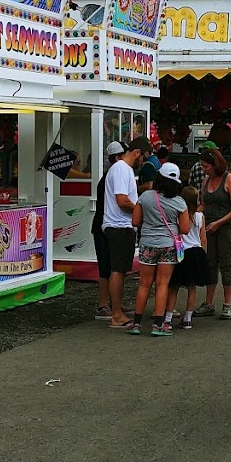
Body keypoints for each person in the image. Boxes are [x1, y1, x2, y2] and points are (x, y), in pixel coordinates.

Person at [128, 162, 190, 336]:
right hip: (168, 244)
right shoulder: (179, 202)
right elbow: (184, 229)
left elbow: (135, 222)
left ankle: (136, 324)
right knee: (163, 284)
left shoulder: (146, 197)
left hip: (147, 243)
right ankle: (158, 325)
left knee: (144, 284)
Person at [102, 136, 148, 329]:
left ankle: (117, 309)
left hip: (121, 226)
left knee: (119, 270)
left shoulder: (122, 169)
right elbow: (122, 200)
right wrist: (140, 209)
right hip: (119, 226)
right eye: (143, 157)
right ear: (137, 153)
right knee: (118, 271)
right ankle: (116, 315)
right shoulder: (122, 169)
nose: (143, 162)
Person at [197, 148, 231, 319]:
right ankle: (209, 303)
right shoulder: (206, 181)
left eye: (206, 166)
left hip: (228, 228)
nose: (204, 169)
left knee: (228, 264)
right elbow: (203, 204)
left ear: (215, 164)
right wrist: (195, 215)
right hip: (210, 227)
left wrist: (219, 222)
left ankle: (227, 304)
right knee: (210, 263)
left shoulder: (229, 180)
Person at [92, 141, 127, 321]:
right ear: (118, 157)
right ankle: (103, 304)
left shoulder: (110, 175)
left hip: (105, 225)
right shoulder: (113, 176)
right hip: (104, 226)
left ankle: (113, 302)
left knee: (113, 266)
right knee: (108, 267)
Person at [167, 185, 207, 329]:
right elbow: (203, 238)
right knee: (192, 287)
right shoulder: (199, 217)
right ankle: (188, 318)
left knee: (173, 287)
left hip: (181, 252)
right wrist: (204, 254)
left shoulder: (178, 216)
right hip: (196, 252)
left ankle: (168, 318)